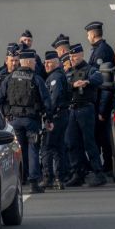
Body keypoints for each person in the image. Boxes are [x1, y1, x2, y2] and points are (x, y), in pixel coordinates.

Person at [2, 50, 51, 192]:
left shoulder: (9, 78)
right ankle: (34, 182)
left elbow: (0, 98)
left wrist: (6, 114)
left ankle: (19, 179)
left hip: (14, 121)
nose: (36, 63)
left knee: (17, 150)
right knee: (33, 149)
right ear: (28, 62)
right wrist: (49, 118)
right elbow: (46, 100)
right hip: (31, 120)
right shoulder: (36, 79)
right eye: (34, 61)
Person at [64, 45, 107, 187]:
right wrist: (73, 85)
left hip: (85, 109)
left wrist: (87, 81)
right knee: (72, 143)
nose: (72, 59)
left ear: (81, 55)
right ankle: (78, 173)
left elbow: (99, 78)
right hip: (72, 110)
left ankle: (98, 173)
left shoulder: (90, 69)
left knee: (89, 143)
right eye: (70, 57)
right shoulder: (70, 72)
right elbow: (64, 87)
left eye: (74, 56)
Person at [86, 21, 115, 167]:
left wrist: (101, 110)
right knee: (99, 135)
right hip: (98, 101)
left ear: (92, 35)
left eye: (88, 34)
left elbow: (105, 85)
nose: (88, 37)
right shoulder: (100, 49)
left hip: (101, 102)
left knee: (102, 136)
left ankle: (107, 165)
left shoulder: (101, 52)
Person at [41, 50, 69, 189]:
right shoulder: (58, 75)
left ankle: (49, 178)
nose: (46, 65)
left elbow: (54, 98)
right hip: (62, 115)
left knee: (47, 147)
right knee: (58, 148)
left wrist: (48, 117)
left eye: (49, 62)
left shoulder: (55, 78)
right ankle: (60, 178)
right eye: (45, 62)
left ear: (56, 63)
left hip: (56, 117)